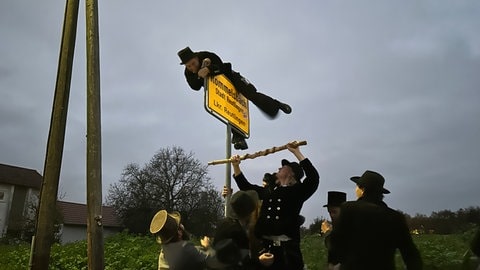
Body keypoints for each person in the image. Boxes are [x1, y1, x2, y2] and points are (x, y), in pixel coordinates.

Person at [177, 47, 292, 150]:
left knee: (252, 95)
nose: (192, 67)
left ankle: (276, 105)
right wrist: (198, 75)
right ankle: (238, 138)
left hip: (232, 78)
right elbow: (194, 86)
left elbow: (223, 67)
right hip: (221, 89)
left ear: (196, 57)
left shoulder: (207, 55)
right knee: (229, 110)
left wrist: (209, 69)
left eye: (193, 63)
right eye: (189, 66)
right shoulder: (188, 72)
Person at [230, 142, 320, 270]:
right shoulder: (269, 192)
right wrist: (236, 166)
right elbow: (246, 187)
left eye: (283, 167)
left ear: (291, 173)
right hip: (265, 249)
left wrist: (297, 152)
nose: (278, 169)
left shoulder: (298, 192)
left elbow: (313, 178)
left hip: (287, 253)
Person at [329, 170, 423, 270]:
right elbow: (411, 254)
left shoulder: (348, 209)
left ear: (362, 189)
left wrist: (332, 264)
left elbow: (336, 242)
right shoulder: (396, 217)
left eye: (357, 186)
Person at [213, 190, 274, 269]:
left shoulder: (223, 224)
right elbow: (242, 263)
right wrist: (259, 261)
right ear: (249, 214)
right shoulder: (238, 233)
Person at [149, 210, 223, 270]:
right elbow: (216, 261)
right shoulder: (187, 249)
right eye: (179, 224)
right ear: (179, 232)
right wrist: (207, 246)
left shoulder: (163, 254)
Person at [321, 191, 346, 270]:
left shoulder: (349, 228)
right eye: (329, 212)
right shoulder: (335, 228)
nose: (331, 215)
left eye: (334, 212)